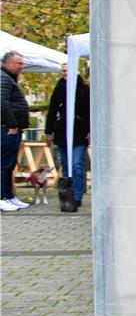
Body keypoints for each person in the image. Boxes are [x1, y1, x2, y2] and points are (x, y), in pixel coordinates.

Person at [44, 62, 91, 207]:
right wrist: (48, 132)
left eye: (68, 71)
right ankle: (68, 194)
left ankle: (77, 195)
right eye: (63, 71)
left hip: (80, 132)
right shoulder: (58, 89)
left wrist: (90, 130)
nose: (65, 73)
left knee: (77, 164)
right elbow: (52, 111)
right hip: (62, 132)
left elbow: (90, 110)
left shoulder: (84, 89)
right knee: (65, 166)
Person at [1, 51, 30, 212]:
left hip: (13, 128)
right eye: (19, 63)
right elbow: (2, 101)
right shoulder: (3, 78)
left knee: (10, 164)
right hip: (7, 128)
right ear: (8, 63)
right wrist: (11, 124)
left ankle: (8, 196)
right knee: (4, 164)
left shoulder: (9, 78)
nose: (22, 66)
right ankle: (2, 197)